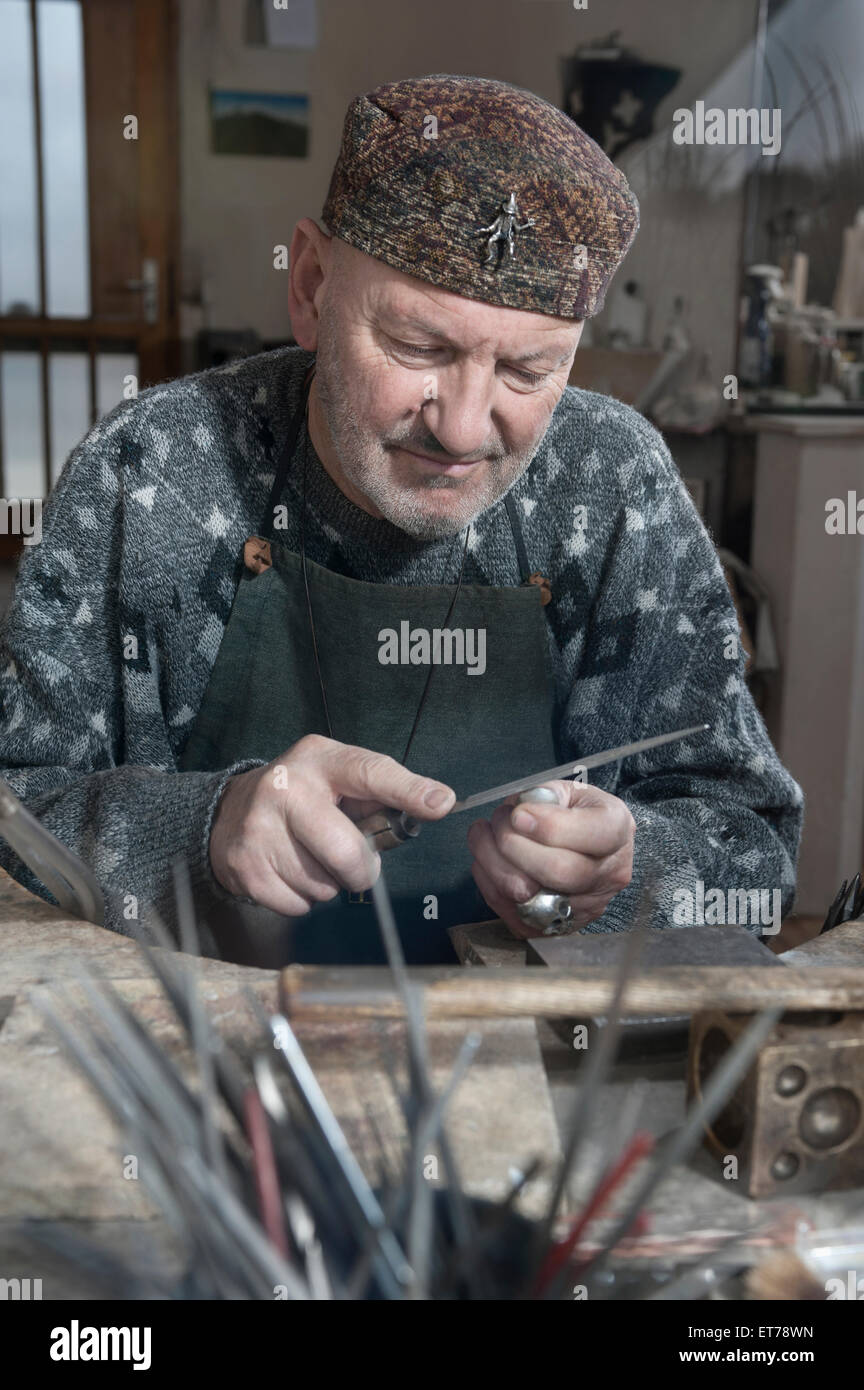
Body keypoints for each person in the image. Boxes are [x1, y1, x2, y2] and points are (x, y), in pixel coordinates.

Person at [0, 75, 802, 966]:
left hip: (528, 1074)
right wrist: (206, 824)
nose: (462, 429)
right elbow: (14, 819)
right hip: (213, 1063)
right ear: (309, 286)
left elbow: (757, 860)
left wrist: (631, 870)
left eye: (528, 371)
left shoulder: (614, 485)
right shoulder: (151, 472)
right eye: (420, 348)